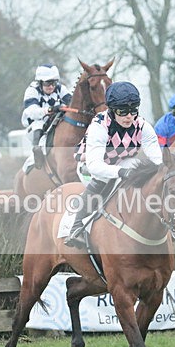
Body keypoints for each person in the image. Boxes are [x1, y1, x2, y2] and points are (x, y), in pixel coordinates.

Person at [65, 81, 162, 249]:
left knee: (142, 170)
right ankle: (77, 226)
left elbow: (158, 162)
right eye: (122, 112)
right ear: (111, 109)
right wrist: (121, 172)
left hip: (122, 161)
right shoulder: (100, 126)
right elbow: (95, 166)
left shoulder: (143, 127)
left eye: (133, 111)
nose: (129, 117)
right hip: (91, 165)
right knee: (102, 179)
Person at [21, 64, 72, 168]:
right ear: (40, 82)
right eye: (47, 83)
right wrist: (50, 110)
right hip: (35, 124)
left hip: (54, 121)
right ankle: (37, 151)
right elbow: (31, 111)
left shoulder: (60, 88)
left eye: (53, 83)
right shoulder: (32, 91)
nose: (51, 86)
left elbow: (71, 102)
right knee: (38, 125)